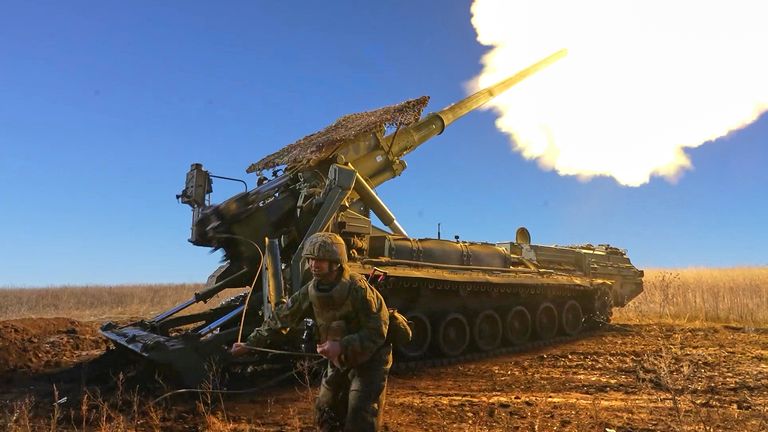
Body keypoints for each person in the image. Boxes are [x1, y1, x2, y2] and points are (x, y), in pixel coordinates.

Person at [231, 232, 391, 432]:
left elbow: (378, 330)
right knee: (326, 408)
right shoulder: (311, 291)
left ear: (335, 262)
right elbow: (281, 318)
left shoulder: (358, 289)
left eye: (320, 260)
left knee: (360, 413)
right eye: (311, 259)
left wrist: (342, 345)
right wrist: (250, 344)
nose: (314, 265)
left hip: (371, 358)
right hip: (339, 358)